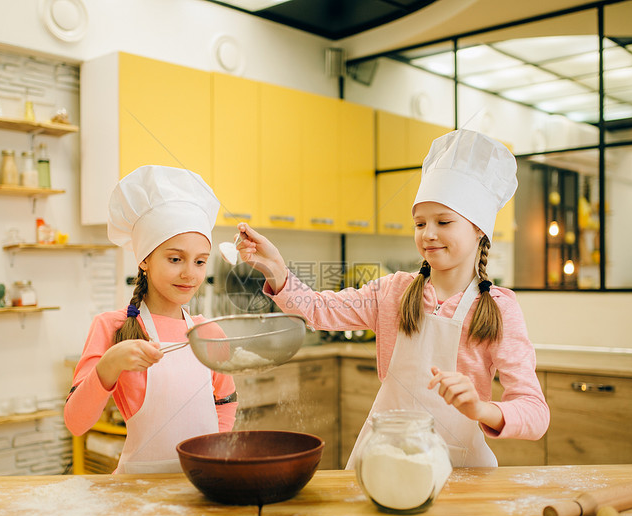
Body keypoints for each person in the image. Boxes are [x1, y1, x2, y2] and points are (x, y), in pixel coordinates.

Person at [235, 129, 548, 469]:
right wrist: (277, 269)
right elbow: (318, 310)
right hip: (384, 460)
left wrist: (481, 409)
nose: (428, 234)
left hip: (458, 470)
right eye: (419, 223)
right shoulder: (393, 291)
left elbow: (534, 411)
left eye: (443, 221)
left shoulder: (499, 308)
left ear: (479, 230)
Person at [65, 165, 237, 474]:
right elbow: (76, 423)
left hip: (204, 483)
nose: (190, 274)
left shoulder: (209, 332)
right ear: (144, 259)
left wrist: (216, 459)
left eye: (200, 262)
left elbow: (225, 405)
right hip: (138, 491)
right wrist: (109, 364)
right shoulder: (113, 327)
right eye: (175, 259)